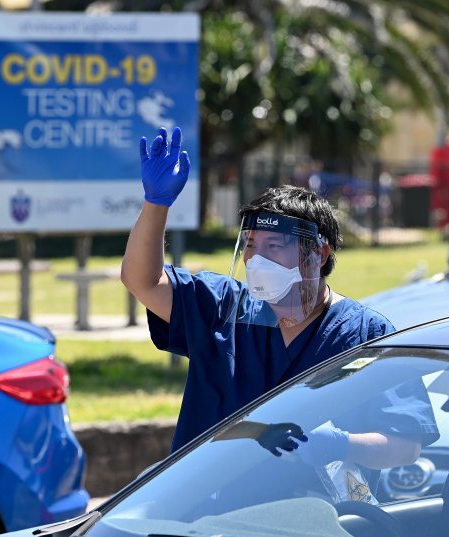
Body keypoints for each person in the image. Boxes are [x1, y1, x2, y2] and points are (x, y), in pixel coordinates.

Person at [122, 126, 432, 471]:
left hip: (306, 512)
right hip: (199, 505)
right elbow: (142, 281)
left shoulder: (363, 333)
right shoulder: (222, 307)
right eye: (251, 246)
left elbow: (405, 446)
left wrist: (335, 445)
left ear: (319, 253)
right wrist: (156, 204)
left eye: (274, 246)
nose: (256, 260)